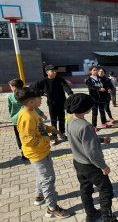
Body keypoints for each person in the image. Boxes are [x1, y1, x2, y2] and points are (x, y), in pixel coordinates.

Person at [15, 87, 73, 219]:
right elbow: (30, 140)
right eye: (39, 98)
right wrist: (50, 138)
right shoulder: (26, 117)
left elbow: (41, 126)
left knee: (41, 176)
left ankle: (40, 196)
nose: (41, 99)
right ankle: (52, 208)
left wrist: (53, 129)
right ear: (31, 101)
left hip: (41, 151)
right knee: (48, 179)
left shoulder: (32, 111)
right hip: (37, 154)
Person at [64, 93, 118, 222]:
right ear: (85, 107)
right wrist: (103, 166)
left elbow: (80, 139)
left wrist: (100, 139)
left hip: (78, 162)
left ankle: (91, 214)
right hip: (91, 165)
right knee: (106, 190)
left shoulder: (70, 120)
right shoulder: (85, 126)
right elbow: (92, 153)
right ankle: (108, 218)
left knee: (85, 189)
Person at [7, 78, 47, 160]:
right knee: (31, 134)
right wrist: (41, 114)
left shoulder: (10, 96)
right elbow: (33, 106)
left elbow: (9, 107)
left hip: (16, 120)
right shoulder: (27, 94)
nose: (11, 88)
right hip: (27, 117)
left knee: (20, 137)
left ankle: (23, 152)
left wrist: (12, 116)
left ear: (14, 87)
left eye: (11, 87)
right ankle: (30, 150)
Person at [32, 64, 73, 142]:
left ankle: (62, 133)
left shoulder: (60, 79)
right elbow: (33, 88)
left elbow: (66, 87)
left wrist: (70, 94)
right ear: (47, 72)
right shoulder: (43, 81)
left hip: (62, 102)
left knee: (62, 119)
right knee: (53, 120)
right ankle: (54, 136)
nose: (54, 72)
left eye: (55, 71)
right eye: (52, 71)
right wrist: (42, 93)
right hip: (51, 103)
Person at [86, 65, 110, 132]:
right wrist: (99, 88)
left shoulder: (100, 78)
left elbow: (105, 85)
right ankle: (94, 126)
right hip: (94, 99)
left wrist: (108, 89)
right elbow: (92, 87)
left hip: (101, 98)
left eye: (96, 70)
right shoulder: (88, 80)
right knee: (95, 113)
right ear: (91, 71)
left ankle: (104, 123)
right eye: (94, 70)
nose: (96, 71)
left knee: (102, 111)